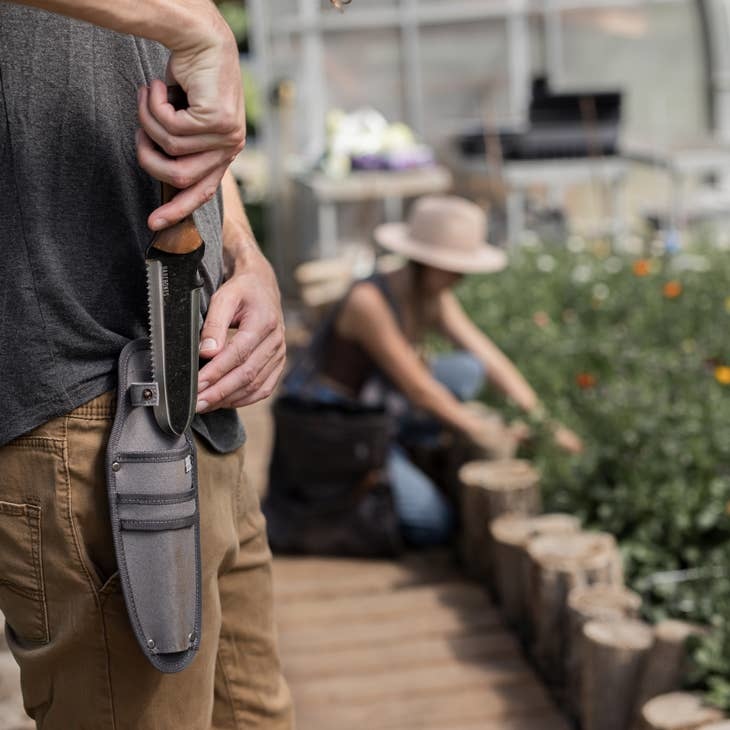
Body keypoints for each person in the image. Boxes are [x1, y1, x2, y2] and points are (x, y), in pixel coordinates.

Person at [0, 1, 293, 728]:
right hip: (78, 417)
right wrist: (198, 26)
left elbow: (168, 100)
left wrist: (242, 252)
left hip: (196, 397)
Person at [269, 195, 582, 549]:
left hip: (378, 405)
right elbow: (419, 389)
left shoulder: (431, 296)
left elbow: (487, 356)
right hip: (339, 426)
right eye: (452, 267)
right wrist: (488, 432)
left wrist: (542, 420)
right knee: (433, 524)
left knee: (468, 369)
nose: (460, 277)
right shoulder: (368, 302)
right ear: (423, 260)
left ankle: (407, 441)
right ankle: (373, 472)